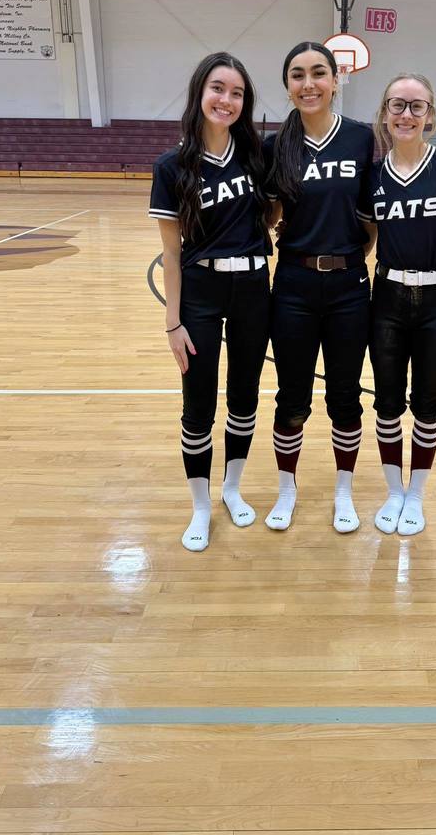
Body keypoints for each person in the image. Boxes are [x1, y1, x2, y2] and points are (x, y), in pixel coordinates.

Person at [149, 52, 272, 551]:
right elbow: (171, 255)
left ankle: (232, 488)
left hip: (252, 289)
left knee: (244, 397)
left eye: (237, 93)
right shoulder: (170, 165)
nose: (227, 100)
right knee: (197, 405)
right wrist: (172, 323)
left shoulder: (255, 157)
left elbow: (274, 214)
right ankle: (200, 505)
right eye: (218, 89)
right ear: (200, 93)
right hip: (199, 292)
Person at [264, 41, 376, 533]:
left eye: (317, 73)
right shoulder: (275, 145)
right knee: (292, 397)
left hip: (350, 285)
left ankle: (343, 491)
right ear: (287, 86)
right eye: (297, 75)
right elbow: (267, 214)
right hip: (292, 284)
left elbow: (372, 216)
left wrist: (351, 258)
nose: (308, 83)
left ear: (335, 80)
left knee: (346, 397)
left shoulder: (360, 139)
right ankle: (287, 489)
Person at [368, 73, 436, 535]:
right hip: (387, 299)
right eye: (398, 105)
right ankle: (394, 491)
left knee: (428, 403)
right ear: (384, 114)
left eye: (417, 107)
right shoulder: (373, 175)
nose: (407, 115)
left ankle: (416, 495)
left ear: (431, 115)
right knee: (387, 403)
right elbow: (366, 239)